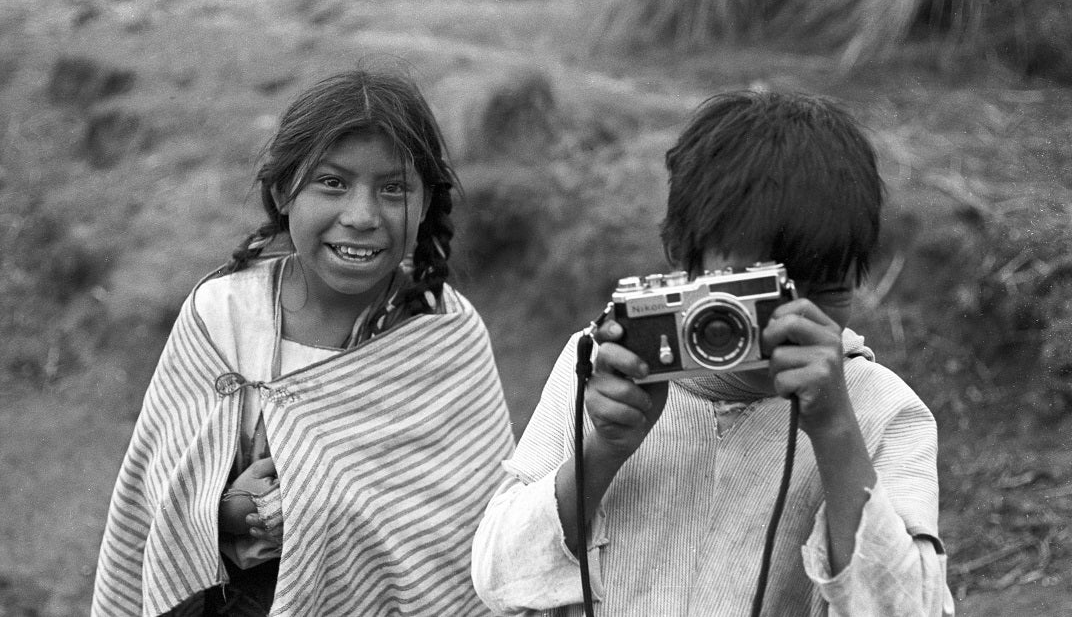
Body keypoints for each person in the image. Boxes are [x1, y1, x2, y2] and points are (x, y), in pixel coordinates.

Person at [471, 91, 955, 616]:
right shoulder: (603, 364)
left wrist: (836, 431)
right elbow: (498, 576)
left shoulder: (881, 412)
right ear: (684, 258)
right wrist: (602, 450)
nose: (790, 320)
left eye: (826, 292)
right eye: (753, 293)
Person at [92, 69, 515, 616]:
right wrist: (227, 512)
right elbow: (157, 505)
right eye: (332, 183)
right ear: (284, 189)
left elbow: (467, 537)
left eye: (393, 189)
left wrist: (316, 503)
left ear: (427, 202)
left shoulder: (443, 337)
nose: (361, 216)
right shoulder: (222, 319)